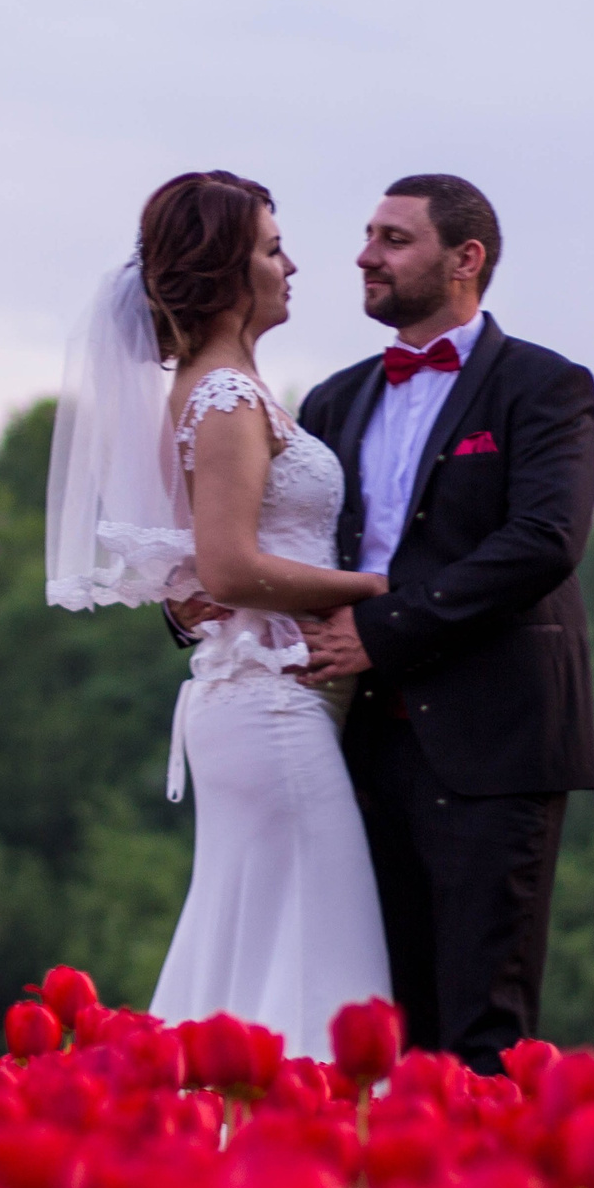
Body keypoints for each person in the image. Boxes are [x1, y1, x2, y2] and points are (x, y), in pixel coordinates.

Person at [43, 171, 391, 1061]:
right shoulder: (226, 398)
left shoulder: (224, 387)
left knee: (254, 938)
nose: (294, 265)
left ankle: (211, 1131)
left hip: (263, 699)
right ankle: (308, 1141)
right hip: (270, 707)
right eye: (274, 249)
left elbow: (201, 566)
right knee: (323, 945)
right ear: (230, 271)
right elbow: (231, 564)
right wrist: (382, 593)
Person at [290, 175, 594, 1076]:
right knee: (380, 1021)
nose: (364, 254)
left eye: (394, 238)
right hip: (357, 743)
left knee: (480, 1027)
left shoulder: (545, 387)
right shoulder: (333, 401)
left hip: (494, 741)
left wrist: (384, 630)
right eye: (368, 234)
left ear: (466, 260)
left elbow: (543, 542)